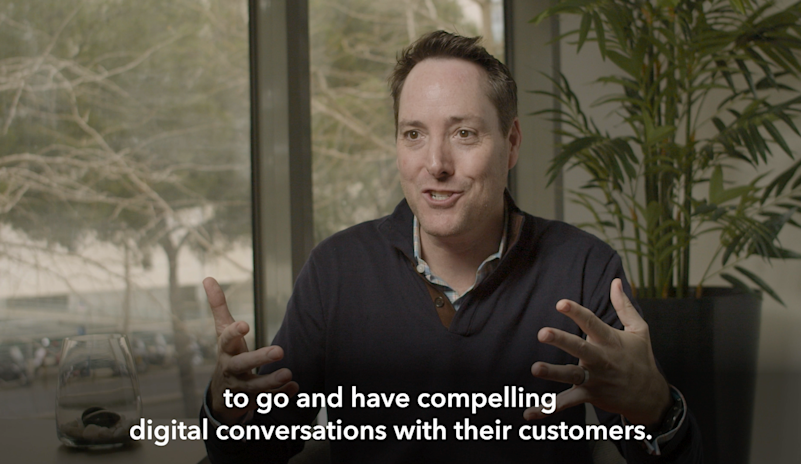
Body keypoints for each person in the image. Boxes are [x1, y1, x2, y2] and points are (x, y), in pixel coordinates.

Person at [201, 31, 702, 463]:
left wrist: (656, 408)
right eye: (413, 134)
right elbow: (256, 452)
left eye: (464, 133)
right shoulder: (337, 269)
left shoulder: (585, 267)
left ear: (511, 143)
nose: (436, 163)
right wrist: (227, 408)